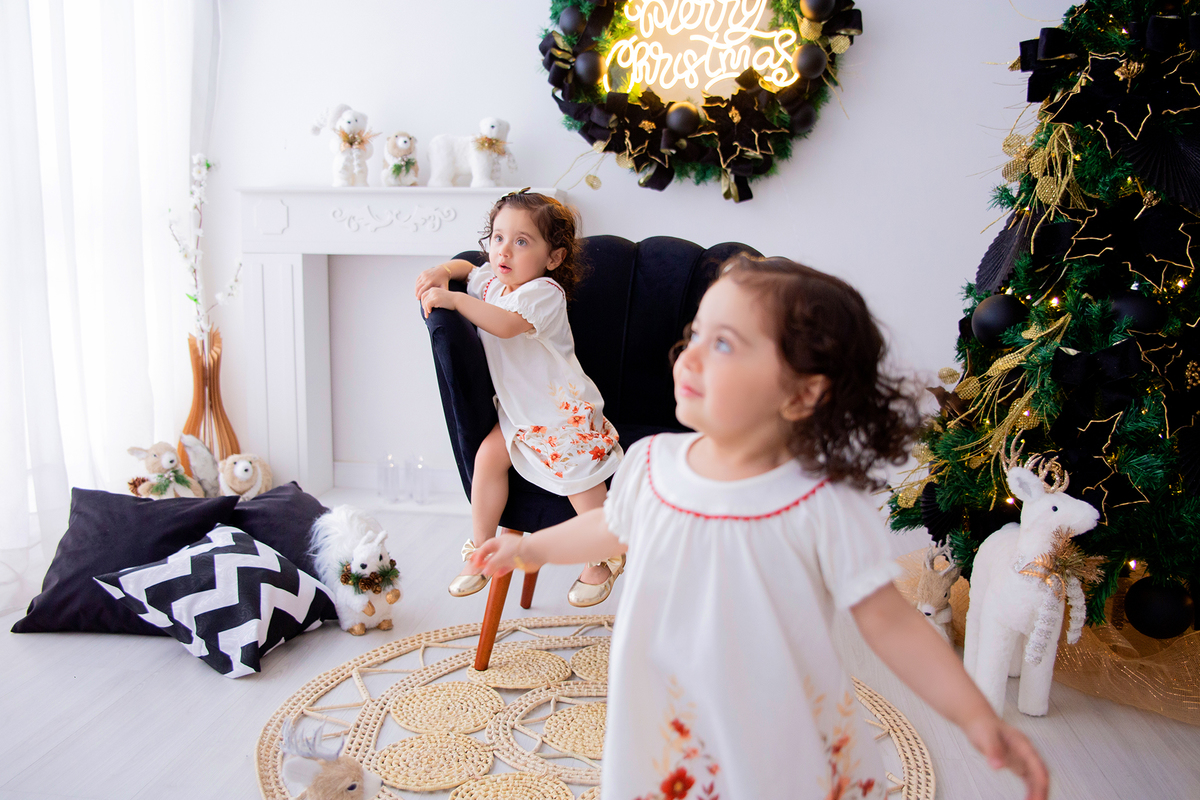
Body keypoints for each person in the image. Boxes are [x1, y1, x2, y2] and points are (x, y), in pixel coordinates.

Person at [472, 255, 1049, 799]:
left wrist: (976, 715)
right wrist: (533, 550)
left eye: (723, 343)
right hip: (669, 709)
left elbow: (891, 624)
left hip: (775, 722)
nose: (689, 357)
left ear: (801, 393)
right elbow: (613, 527)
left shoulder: (820, 504)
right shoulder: (652, 464)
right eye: (695, 334)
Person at [414, 190, 624, 607]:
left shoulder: (544, 292)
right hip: (519, 411)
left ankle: (605, 553)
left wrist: (455, 299)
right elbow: (468, 267)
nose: (504, 250)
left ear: (554, 258)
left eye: (521, 241)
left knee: (578, 477)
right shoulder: (493, 282)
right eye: (497, 238)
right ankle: (481, 550)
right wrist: (443, 270)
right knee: (488, 459)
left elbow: (506, 324)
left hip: (561, 411)